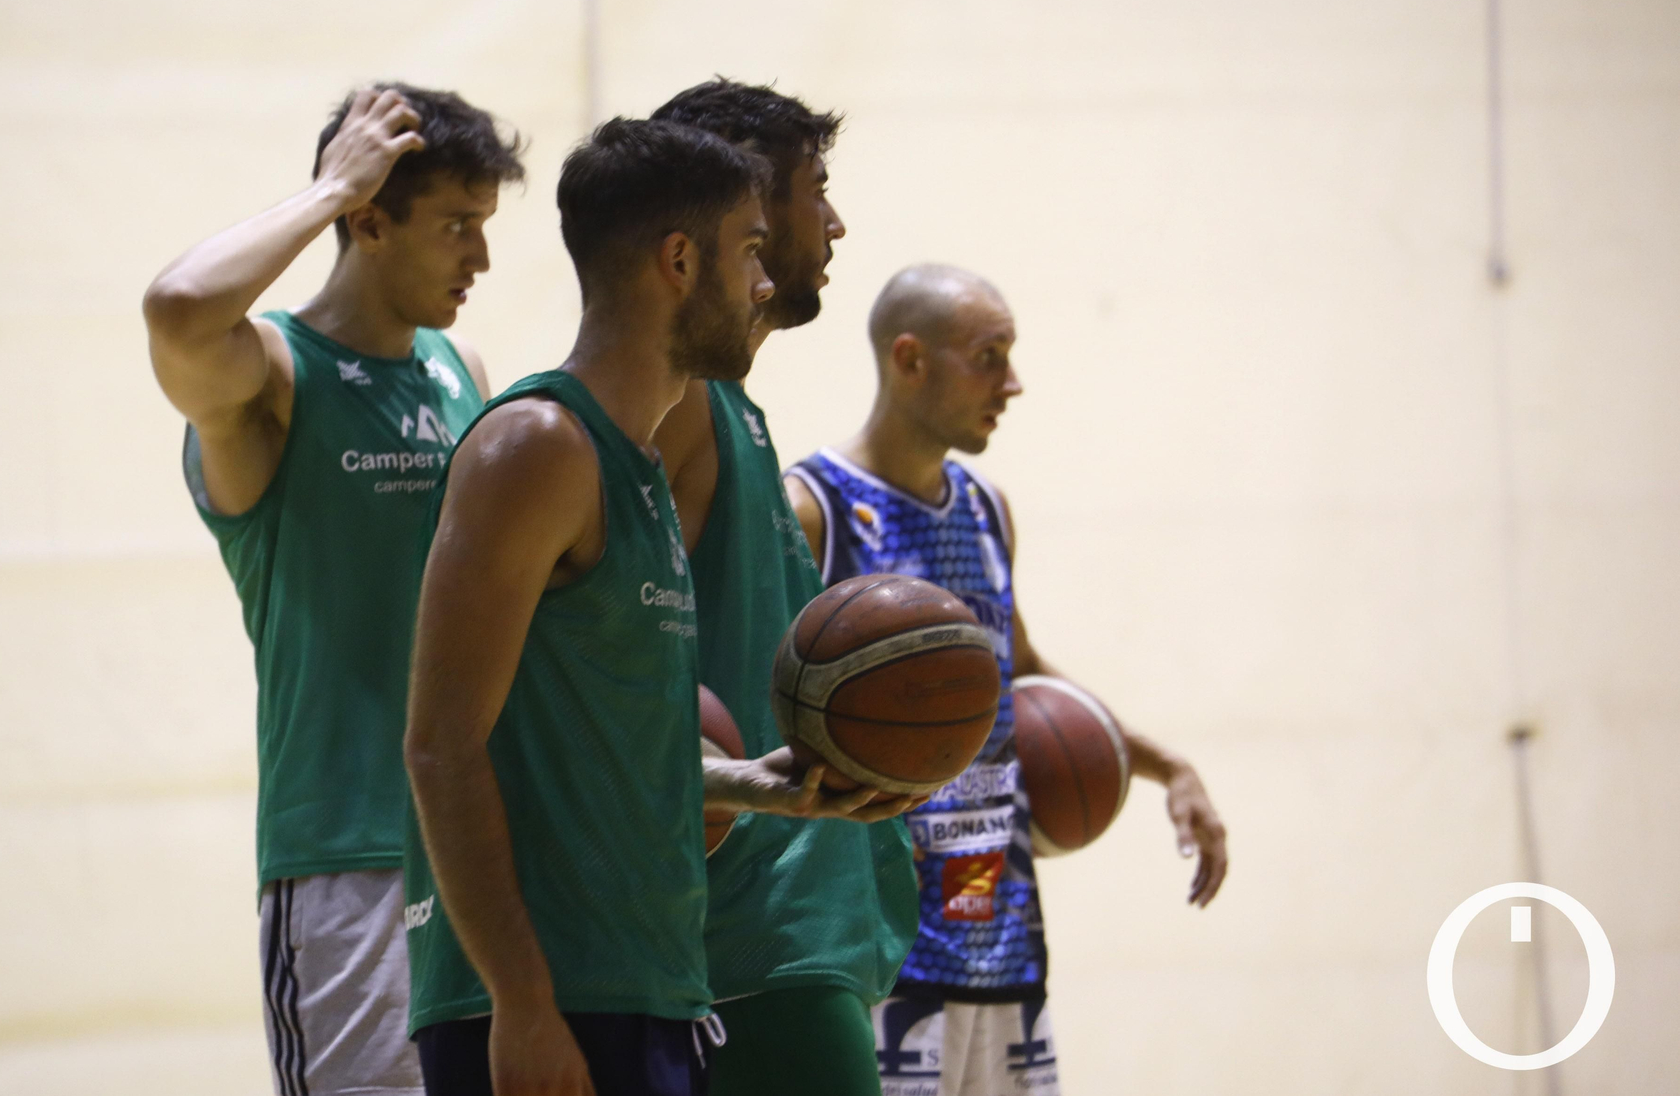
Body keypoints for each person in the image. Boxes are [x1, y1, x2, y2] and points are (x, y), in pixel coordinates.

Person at [405, 116, 830, 1096]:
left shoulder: (638, 466)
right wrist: (520, 1002)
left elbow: (596, 749)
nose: (767, 284)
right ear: (680, 261)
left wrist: (760, 786)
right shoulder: (537, 447)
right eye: (752, 252)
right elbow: (439, 743)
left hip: (649, 988)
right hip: (551, 1001)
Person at [141, 83, 523, 1096]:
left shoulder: (460, 370)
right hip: (347, 861)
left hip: (479, 848)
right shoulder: (272, 374)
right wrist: (324, 191)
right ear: (369, 219)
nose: (478, 260)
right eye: (454, 228)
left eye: (482, 228)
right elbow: (176, 308)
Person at [784, 264, 1232, 1096]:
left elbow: (1015, 671)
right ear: (909, 358)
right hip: (879, 957)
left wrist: (1169, 766)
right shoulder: (814, 508)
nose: (1013, 383)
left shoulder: (988, 507)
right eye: (989, 356)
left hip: (999, 933)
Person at [647, 80, 922, 1096]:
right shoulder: (675, 408)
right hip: (744, 946)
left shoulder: (737, 415)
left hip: (797, 934)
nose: (834, 222)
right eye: (816, 190)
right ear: (747, 202)